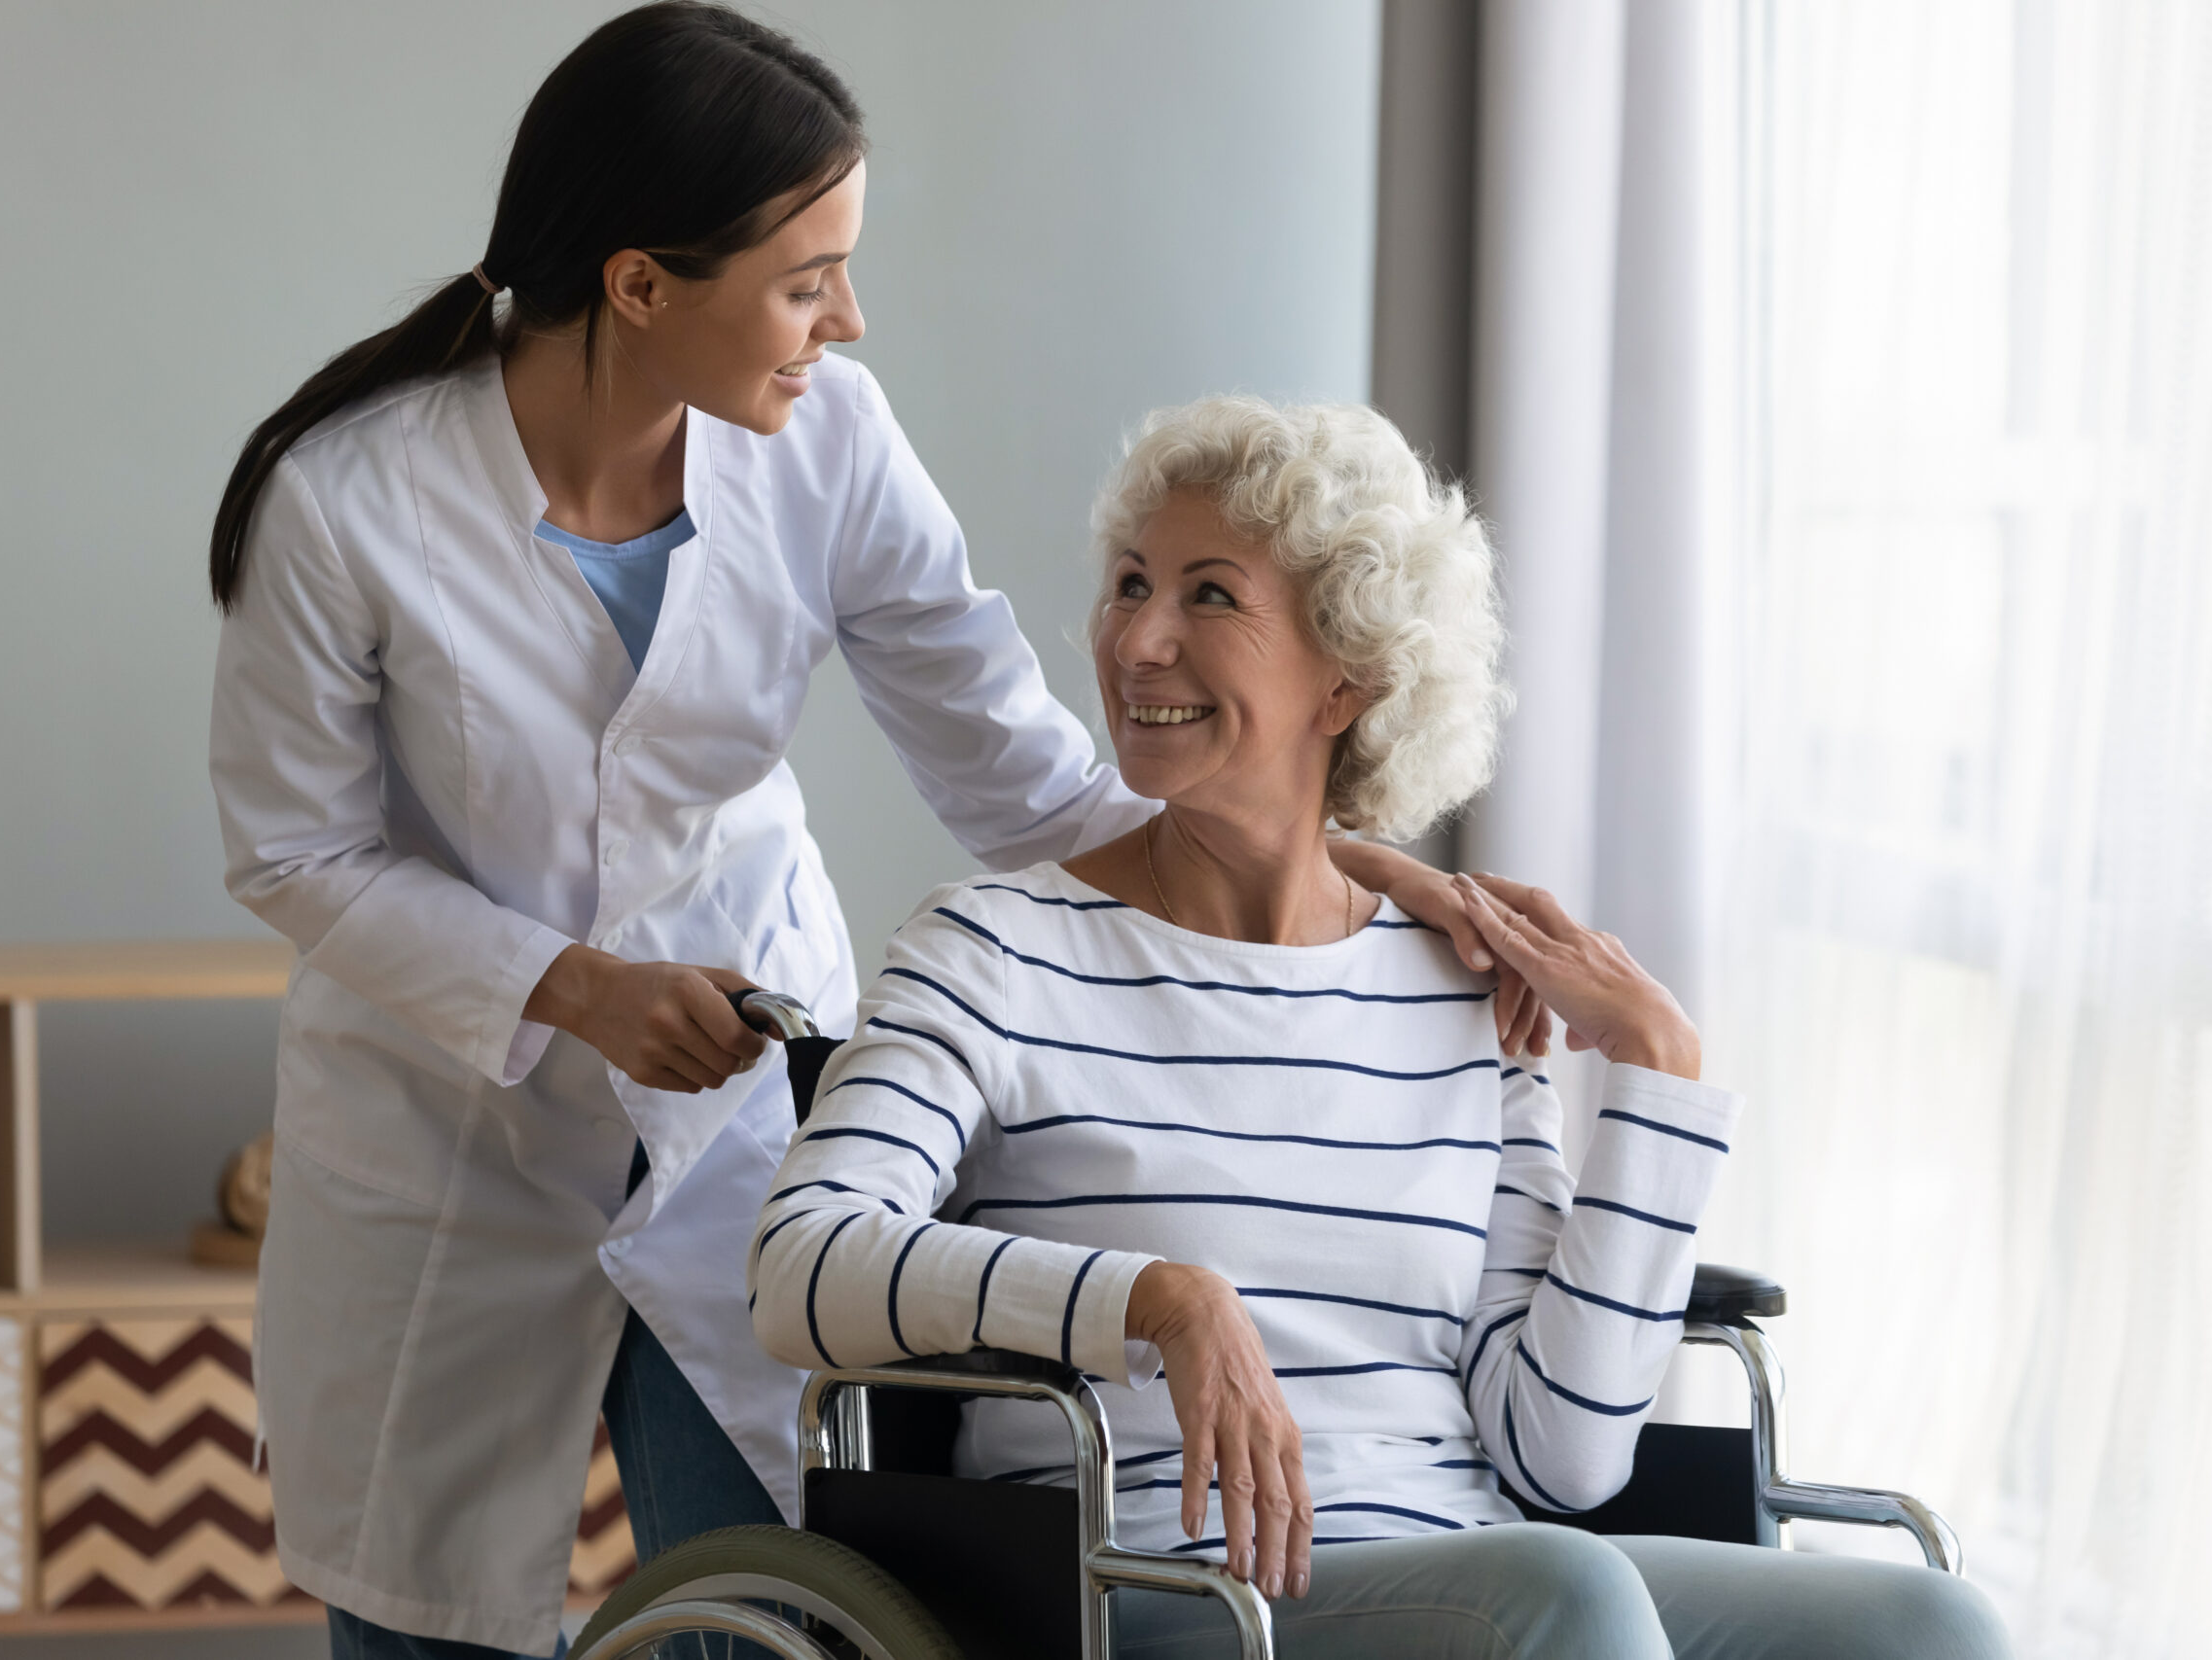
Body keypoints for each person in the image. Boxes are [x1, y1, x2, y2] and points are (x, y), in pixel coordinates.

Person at [206, 10, 1515, 1657]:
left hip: (736, 1123)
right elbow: (297, 857)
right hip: (446, 1134)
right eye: (807, 276)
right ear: (640, 285)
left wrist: (1342, 869)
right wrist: (578, 988)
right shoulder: (348, 500)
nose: (847, 317)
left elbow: (1018, 773)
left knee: (776, 1599)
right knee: (427, 1621)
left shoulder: (829, 438)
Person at [753, 396, 2014, 1659]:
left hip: (1482, 1570)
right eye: (1129, 583)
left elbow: (1561, 1459)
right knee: (1566, 1600)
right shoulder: (995, 948)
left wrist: (1657, 1081)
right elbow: (803, 1267)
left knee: (1925, 1621)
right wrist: (1156, 1301)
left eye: (1208, 596)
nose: (1137, 639)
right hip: (1152, 1585)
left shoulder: (1455, 994)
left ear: (1347, 674)